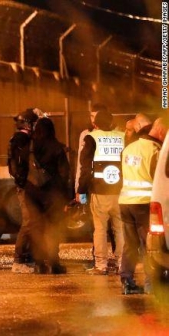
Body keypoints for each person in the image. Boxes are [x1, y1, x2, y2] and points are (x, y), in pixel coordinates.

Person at [8, 108, 67, 274]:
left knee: (36, 226)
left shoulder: (30, 142)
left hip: (31, 190)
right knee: (36, 224)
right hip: (40, 191)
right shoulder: (23, 140)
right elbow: (64, 173)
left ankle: (38, 260)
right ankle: (22, 259)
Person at [119, 117, 168, 294]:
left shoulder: (129, 148)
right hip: (144, 203)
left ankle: (126, 280)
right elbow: (159, 181)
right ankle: (150, 284)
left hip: (125, 201)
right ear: (161, 132)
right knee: (149, 244)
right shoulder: (155, 150)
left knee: (130, 244)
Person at [76, 109, 125, 275]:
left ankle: (101, 265)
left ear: (95, 123)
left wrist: (81, 190)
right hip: (120, 191)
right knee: (120, 229)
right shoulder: (122, 137)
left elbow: (85, 167)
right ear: (112, 122)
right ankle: (122, 263)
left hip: (99, 190)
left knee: (100, 229)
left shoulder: (91, 138)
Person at [31, 117, 71, 273]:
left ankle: (39, 263)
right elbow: (64, 172)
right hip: (53, 194)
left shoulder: (32, 147)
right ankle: (54, 263)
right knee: (54, 229)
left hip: (33, 193)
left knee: (37, 229)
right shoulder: (56, 147)